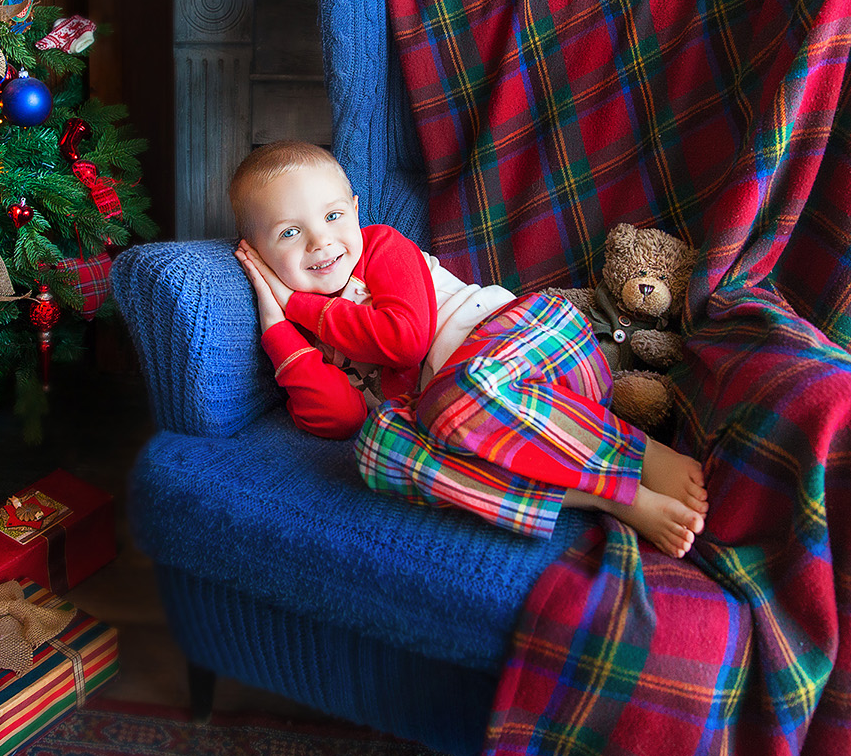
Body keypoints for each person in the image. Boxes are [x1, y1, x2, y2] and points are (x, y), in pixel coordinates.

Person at [229, 141, 708, 558]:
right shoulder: (307, 338)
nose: (320, 240)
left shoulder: (380, 249)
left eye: (333, 216)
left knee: (452, 396)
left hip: (539, 341)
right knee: (378, 448)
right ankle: (608, 495)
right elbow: (340, 419)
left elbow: (405, 340)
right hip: (506, 428)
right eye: (289, 233)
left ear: (355, 210)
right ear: (257, 253)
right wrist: (278, 328)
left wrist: (297, 303)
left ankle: (640, 453)